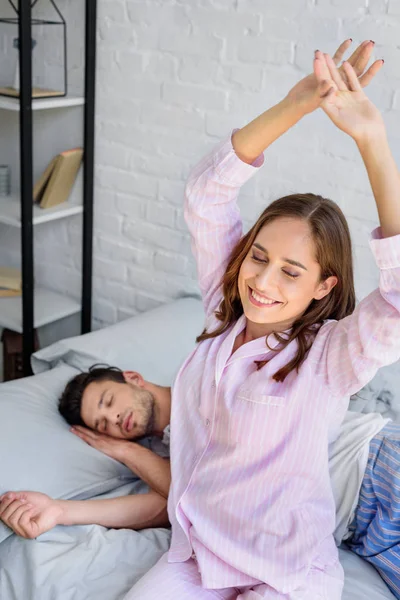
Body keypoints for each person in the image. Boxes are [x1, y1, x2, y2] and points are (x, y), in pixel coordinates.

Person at [120, 39, 400, 600]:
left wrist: (371, 141)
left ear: (326, 285)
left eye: (291, 272)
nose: (263, 283)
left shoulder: (332, 357)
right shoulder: (223, 313)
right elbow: (207, 194)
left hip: (288, 571)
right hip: (198, 554)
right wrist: (295, 105)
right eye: (258, 257)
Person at [0, 365, 173, 537]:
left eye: (109, 400)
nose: (114, 419)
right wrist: (58, 510)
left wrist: (129, 451)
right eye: (104, 425)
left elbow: (188, 492)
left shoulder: (196, 384)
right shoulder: (160, 453)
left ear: (134, 378)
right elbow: (171, 501)